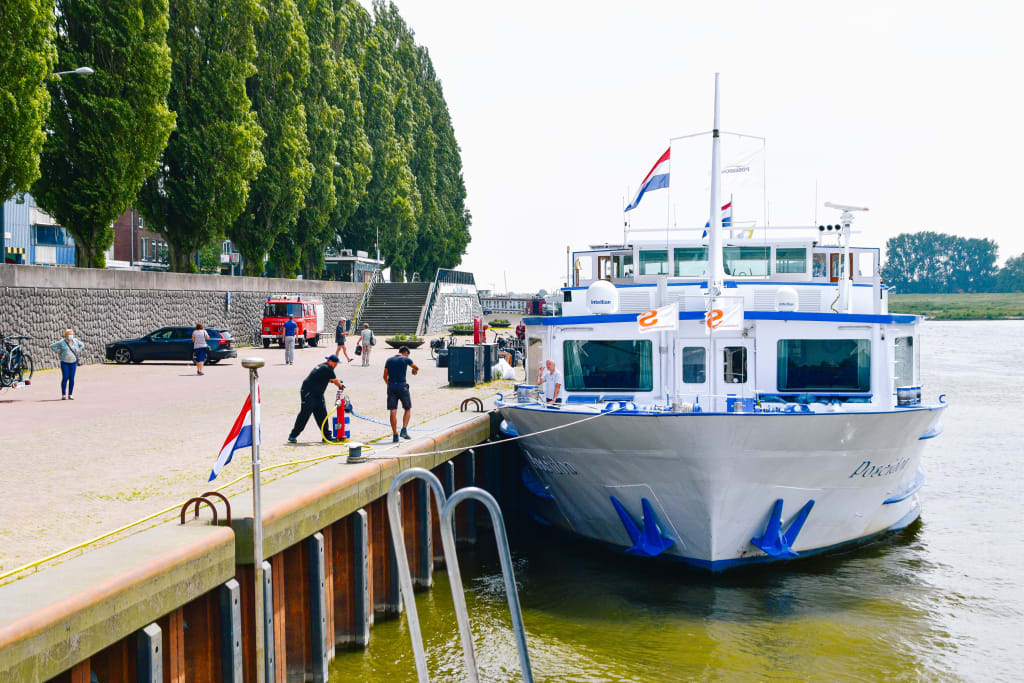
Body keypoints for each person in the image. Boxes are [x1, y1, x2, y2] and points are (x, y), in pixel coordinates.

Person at [288, 355, 345, 443]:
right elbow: (335, 381)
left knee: (322, 415)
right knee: (305, 414)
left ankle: (326, 436)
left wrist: (335, 381)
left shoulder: (323, 366)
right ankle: (293, 435)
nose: (336, 365)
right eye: (336, 363)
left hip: (318, 394)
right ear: (331, 362)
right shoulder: (327, 368)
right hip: (309, 393)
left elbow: (328, 379)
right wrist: (340, 385)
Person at [383, 346, 419, 443]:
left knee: (393, 411)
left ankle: (395, 434)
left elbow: (384, 375)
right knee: (407, 408)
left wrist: (389, 384)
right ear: (406, 352)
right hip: (402, 386)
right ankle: (404, 430)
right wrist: (413, 370)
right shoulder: (405, 359)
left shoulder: (389, 360)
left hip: (391, 387)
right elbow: (416, 367)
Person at [49, 328, 84, 400]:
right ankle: (63, 394)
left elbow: (82, 345)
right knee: (65, 377)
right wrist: (59, 351)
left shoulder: (75, 341)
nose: (71, 336)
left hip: (73, 362)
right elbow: (52, 346)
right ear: (66, 335)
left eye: (72, 334)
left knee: (72, 378)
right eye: (69, 334)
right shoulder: (62, 342)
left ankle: (70, 394)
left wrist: (78, 350)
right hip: (64, 362)